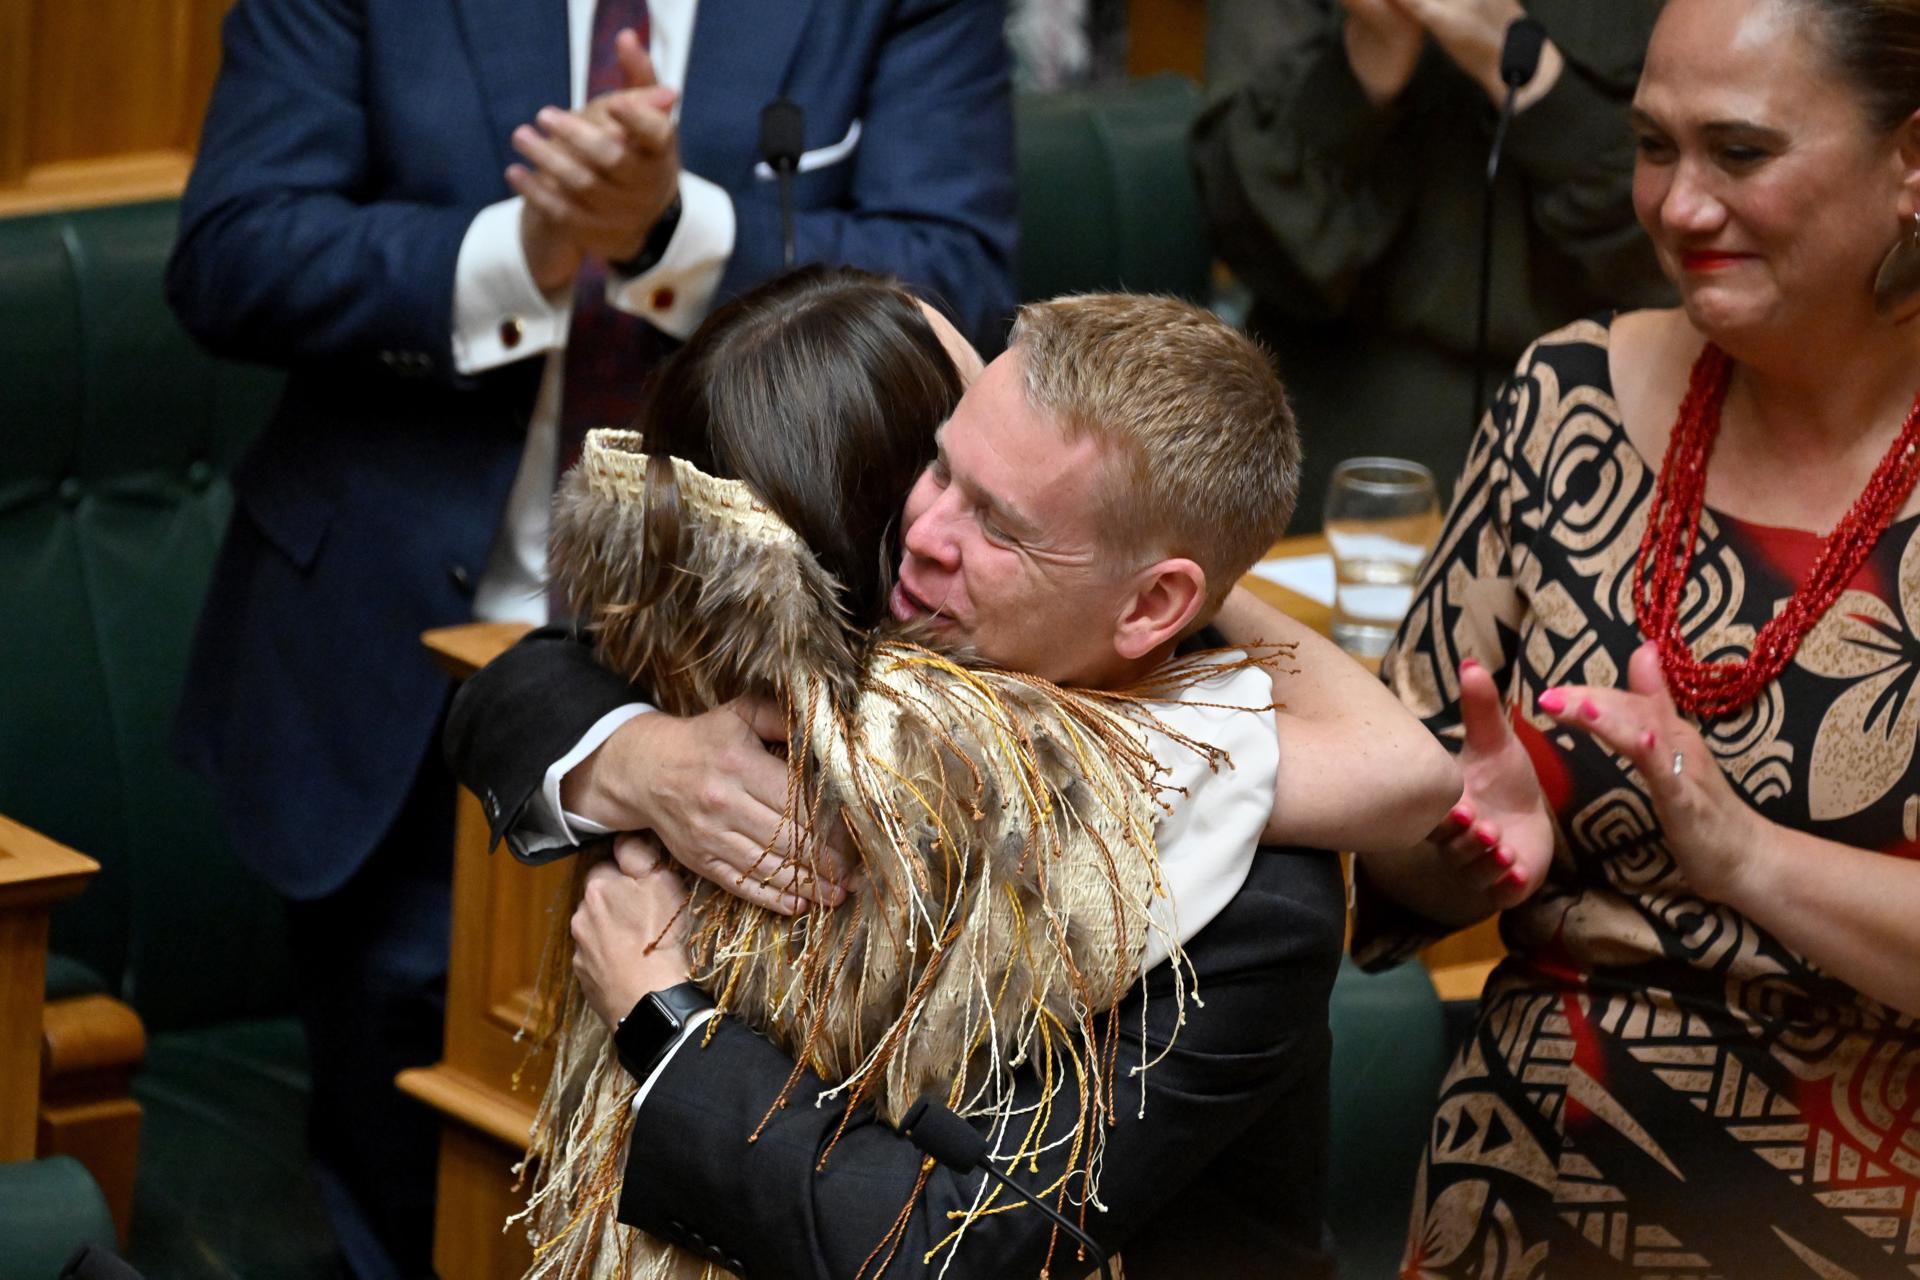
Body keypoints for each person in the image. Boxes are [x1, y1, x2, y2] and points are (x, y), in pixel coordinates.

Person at [162, 2, 1015, 1275]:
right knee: (404, 1200)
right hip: (404, 684)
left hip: (796, 711)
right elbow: (231, 249)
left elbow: (962, 289)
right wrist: (527, 248)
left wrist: (678, 234)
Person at [447, 286, 1462, 1276]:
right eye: (941, 465)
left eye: (1001, 524)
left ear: (1154, 603)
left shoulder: (1252, 896)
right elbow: (525, 680)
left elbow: (957, 1244)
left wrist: (663, 1020)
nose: (925, 531)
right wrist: (640, 759)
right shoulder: (890, 625)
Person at [1351, 0, 1920, 1273]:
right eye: (1655, 147)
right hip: (1535, 1155)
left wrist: (1744, 855)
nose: (1677, 206)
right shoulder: (1569, 403)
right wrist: (1458, 843)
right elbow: (1389, 846)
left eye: (1740, 152)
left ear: (1911, 162)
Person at [1189, 0, 1672, 528]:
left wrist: (1509, 56)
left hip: (1609, 420)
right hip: (1333, 413)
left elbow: (1685, 248)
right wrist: (1363, 67)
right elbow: (1239, 232)